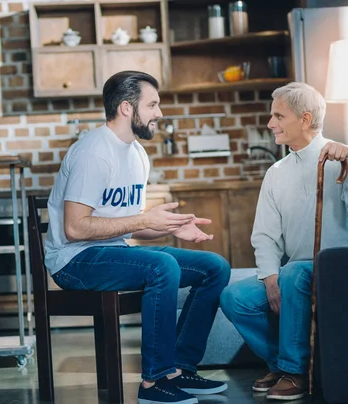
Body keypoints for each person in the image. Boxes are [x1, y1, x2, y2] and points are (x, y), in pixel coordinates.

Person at [44, 70, 231, 404]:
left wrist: (167, 226)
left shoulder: (136, 155)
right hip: (74, 261)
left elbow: (125, 225)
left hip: (110, 252)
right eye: (153, 104)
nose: (159, 113)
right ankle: (154, 382)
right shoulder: (92, 152)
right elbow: (75, 228)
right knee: (162, 266)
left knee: (213, 267)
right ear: (127, 108)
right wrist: (146, 218)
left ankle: (179, 369)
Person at [220, 82, 348, 401]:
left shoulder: (346, 156)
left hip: (339, 268)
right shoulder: (276, 172)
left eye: (278, 116)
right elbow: (264, 235)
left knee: (293, 273)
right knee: (235, 296)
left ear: (305, 119)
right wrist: (269, 278)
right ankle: (286, 365)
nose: (270, 124)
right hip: (297, 272)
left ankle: (296, 372)